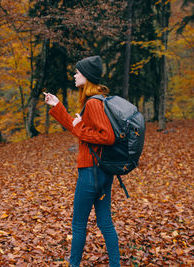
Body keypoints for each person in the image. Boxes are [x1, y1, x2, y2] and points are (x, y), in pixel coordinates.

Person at [44, 55, 120, 267]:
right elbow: (80, 130)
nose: (75, 74)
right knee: (105, 223)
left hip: (91, 173)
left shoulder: (94, 103)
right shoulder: (96, 101)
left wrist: (80, 127)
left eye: (78, 72)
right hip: (103, 173)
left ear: (86, 75)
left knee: (78, 225)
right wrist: (57, 105)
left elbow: (107, 137)